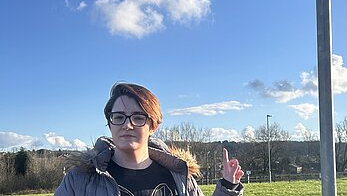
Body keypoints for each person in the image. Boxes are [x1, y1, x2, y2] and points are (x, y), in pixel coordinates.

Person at [55, 82, 244, 196]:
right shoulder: (79, 180)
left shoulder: (179, 176)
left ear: (153, 126)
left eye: (138, 118)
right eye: (119, 117)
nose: (127, 125)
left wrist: (227, 187)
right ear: (110, 123)